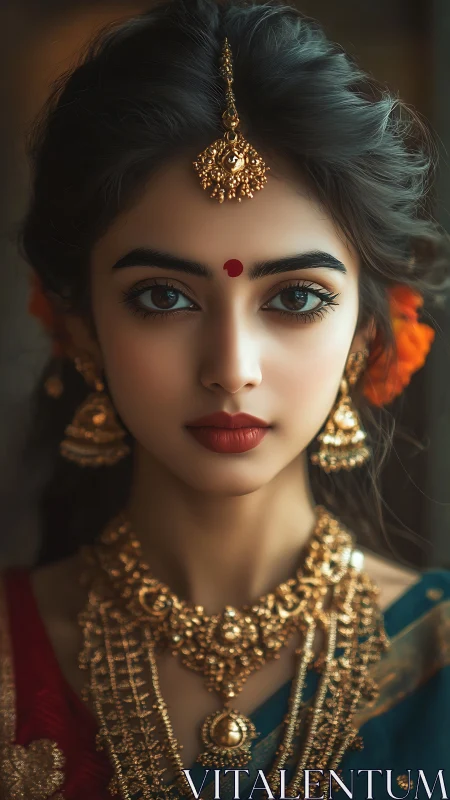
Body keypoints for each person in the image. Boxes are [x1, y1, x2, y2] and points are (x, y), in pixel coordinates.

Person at [1, 0, 449, 798]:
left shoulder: (435, 656)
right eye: (163, 297)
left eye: (296, 298)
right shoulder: (15, 650)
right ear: (79, 328)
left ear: (366, 333)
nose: (232, 368)